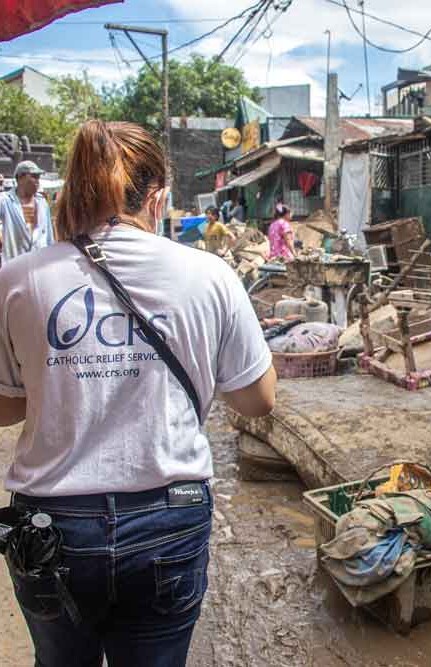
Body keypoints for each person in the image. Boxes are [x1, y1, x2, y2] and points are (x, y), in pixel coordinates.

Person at [0, 120, 276, 667]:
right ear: (158, 198)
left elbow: (6, 407)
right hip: (168, 518)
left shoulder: (17, 279)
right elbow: (258, 400)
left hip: (51, 527)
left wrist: (64, 377)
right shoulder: (209, 275)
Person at [0, 160, 55, 262]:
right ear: (20, 178)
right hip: (14, 264)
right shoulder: (4, 201)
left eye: (38, 178)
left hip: (39, 264)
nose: (37, 181)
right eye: (34, 176)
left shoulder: (42, 203)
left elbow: (49, 237)